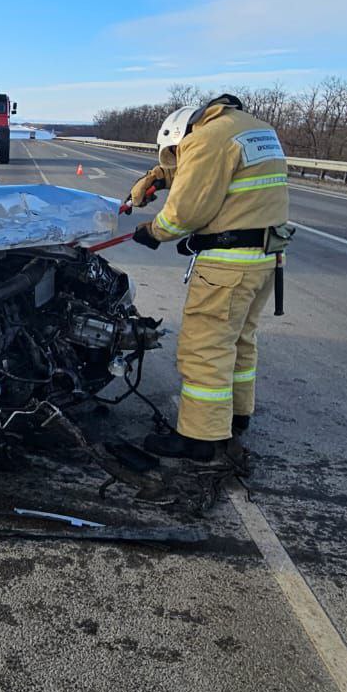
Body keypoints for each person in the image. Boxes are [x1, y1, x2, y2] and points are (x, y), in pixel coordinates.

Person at [127, 94, 292, 463]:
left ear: (184, 134)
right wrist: (160, 176)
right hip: (266, 257)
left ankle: (200, 438)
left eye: (176, 151)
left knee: (205, 349)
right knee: (239, 341)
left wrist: (153, 231)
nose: (178, 155)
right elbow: (219, 174)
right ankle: (236, 415)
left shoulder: (205, 138)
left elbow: (185, 213)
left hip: (228, 266)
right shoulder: (254, 129)